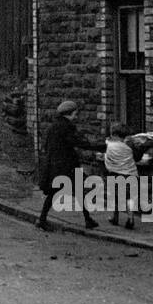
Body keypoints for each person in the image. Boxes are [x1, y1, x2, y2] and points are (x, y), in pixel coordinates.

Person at [37, 99, 98, 231]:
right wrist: (99, 146)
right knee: (77, 190)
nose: (76, 117)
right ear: (69, 114)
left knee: (56, 192)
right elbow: (76, 142)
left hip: (55, 164)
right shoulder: (66, 127)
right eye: (75, 114)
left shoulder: (54, 126)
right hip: (66, 165)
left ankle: (42, 219)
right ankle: (87, 220)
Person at [104, 123, 138, 228]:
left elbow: (107, 158)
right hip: (131, 174)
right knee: (129, 198)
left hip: (115, 174)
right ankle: (130, 218)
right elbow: (136, 157)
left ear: (114, 134)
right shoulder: (128, 147)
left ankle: (115, 217)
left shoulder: (110, 145)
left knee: (115, 197)